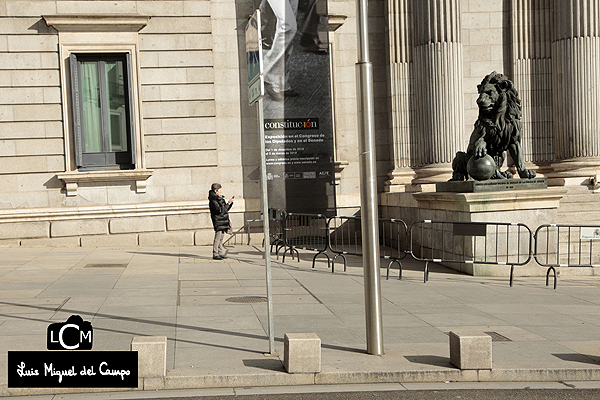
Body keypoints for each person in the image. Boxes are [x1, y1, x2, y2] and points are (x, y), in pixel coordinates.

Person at [208, 183, 234, 260]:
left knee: (221, 237)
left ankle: (220, 252)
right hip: (218, 220)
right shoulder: (213, 200)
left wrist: (230, 203)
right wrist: (228, 204)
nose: (221, 191)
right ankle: (215, 253)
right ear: (216, 191)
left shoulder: (219, 198)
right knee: (218, 236)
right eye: (220, 190)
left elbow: (225, 210)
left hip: (222, 220)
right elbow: (220, 210)